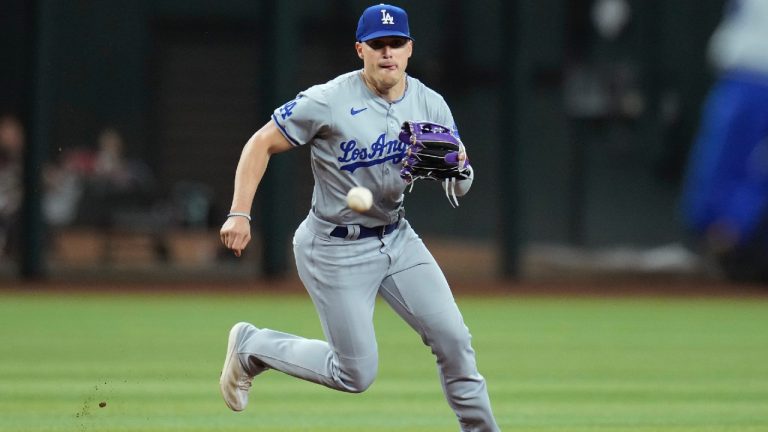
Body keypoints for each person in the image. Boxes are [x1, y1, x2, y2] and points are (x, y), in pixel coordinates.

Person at [218, 4, 500, 431]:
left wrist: (459, 165)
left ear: (409, 49)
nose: (388, 53)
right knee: (354, 374)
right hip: (333, 246)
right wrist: (240, 212)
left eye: (396, 44)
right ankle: (252, 345)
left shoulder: (430, 103)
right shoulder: (328, 100)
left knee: (455, 340)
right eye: (378, 45)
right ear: (360, 50)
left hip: (397, 238)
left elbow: (462, 185)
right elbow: (260, 144)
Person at [680, 0, 768, 282]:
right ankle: (725, 246)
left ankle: (737, 247)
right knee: (721, 169)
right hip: (746, 72)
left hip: (752, 78)